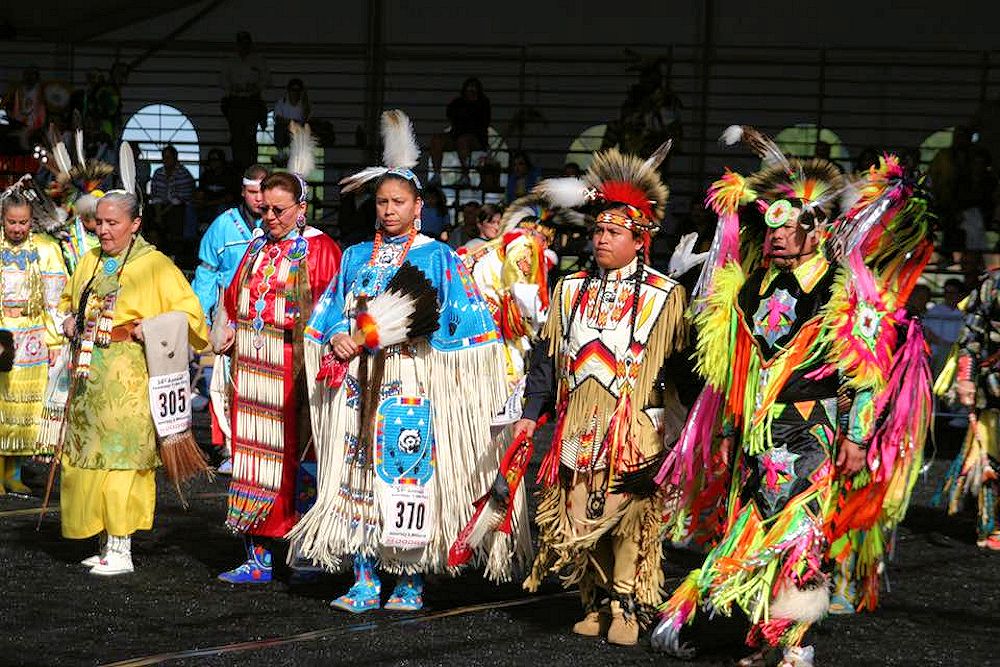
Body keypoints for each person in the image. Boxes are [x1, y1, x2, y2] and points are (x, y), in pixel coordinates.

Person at [652, 134, 933, 665]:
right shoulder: (752, 285)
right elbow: (736, 368)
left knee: (797, 534)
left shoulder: (840, 286)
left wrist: (855, 436)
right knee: (752, 526)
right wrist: (730, 429)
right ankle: (765, 639)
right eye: (771, 227)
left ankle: (795, 646)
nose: (777, 236)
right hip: (757, 433)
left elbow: (864, 373)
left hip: (813, 432)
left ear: (816, 229)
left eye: (788, 226)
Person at [288, 109, 508, 612]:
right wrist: (342, 338)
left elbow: (472, 328)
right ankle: (365, 577)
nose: (388, 210)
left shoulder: (439, 258)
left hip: (411, 380)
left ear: (418, 206)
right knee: (357, 475)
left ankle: (408, 580)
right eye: (382, 202)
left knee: (407, 474)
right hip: (357, 383)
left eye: (398, 202)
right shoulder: (354, 256)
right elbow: (324, 320)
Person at [518, 142, 690, 646]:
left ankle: (627, 605)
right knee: (581, 508)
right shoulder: (569, 289)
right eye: (597, 230)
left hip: (636, 420)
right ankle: (593, 598)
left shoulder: (664, 296)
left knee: (630, 511)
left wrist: (692, 428)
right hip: (578, 422)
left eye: (614, 232)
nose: (601, 239)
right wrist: (533, 413)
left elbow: (682, 369)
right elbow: (547, 362)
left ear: (639, 240)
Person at [58, 189, 208, 575]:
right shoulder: (89, 260)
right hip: (90, 373)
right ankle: (104, 539)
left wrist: (151, 326)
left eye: (113, 223)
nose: (103, 231)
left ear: (135, 224)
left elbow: (191, 318)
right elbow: (66, 302)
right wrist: (70, 320)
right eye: (99, 222)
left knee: (125, 458)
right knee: (91, 456)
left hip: (130, 375)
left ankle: (122, 547)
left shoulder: (155, 265)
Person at [215, 134, 342, 584]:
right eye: (263, 208)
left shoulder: (321, 249)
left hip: (298, 373)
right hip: (252, 371)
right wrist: (226, 327)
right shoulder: (255, 247)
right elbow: (231, 299)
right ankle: (259, 556)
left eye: (277, 210)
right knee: (254, 459)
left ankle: (305, 551)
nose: (267, 217)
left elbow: (334, 310)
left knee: (301, 459)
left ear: (301, 208)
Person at [192, 163, 269, 474]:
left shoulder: (280, 225)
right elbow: (206, 274)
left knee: (262, 383)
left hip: (265, 314)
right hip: (227, 313)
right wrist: (202, 319)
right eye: (252, 192)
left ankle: (260, 446)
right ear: (242, 191)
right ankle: (226, 447)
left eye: (263, 192)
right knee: (224, 383)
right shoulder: (223, 226)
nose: (259, 199)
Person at [0, 191, 68, 494]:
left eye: (23, 222)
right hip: (2, 332)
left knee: (26, 411)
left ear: (32, 221)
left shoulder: (47, 249)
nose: (17, 228)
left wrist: (54, 342)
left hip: (32, 338)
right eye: (12, 222)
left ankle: (13, 473)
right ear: (2, 219)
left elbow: (55, 302)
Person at [937, 269, 1000, 551]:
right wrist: (964, 379)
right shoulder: (994, 283)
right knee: (995, 457)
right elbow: (971, 334)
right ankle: (994, 524)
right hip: (996, 388)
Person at [220, 31, 270, 176]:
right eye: (241, 43)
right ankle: (238, 169)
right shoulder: (230, 61)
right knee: (236, 137)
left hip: (251, 101)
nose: (243, 46)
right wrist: (233, 86)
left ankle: (252, 168)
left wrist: (255, 86)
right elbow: (222, 81)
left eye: (246, 43)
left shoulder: (258, 61)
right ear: (237, 45)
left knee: (250, 137)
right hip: (235, 101)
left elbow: (267, 79)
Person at [429, 78, 491, 186]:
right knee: (437, 139)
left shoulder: (483, 103)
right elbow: (450, 114)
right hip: (456, 135)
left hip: (476, 139)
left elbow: (482, 122)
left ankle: (465, 176)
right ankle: (437, 175)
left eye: (474, 89)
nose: (471, 91)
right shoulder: (458, 102)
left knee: (463, 140)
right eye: (469, 89)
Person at [148, 144, 196, 264]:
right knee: (149, 213)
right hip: (161, 206)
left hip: (179, 207)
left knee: (176, 215)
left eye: (169, 157)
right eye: (164, 157)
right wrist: (158, 214)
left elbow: (182, 198)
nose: (166, 160)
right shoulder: (158, 173)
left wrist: (162, 214)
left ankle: (173, 253)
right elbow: (155, 196)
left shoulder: (184, 173)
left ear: (175, 158)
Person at [195, 148, 239, 225]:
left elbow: (229, 198)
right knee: (191, 208)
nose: (213, 162)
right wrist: (199, 200)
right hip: (207, 205)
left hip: (223, 206)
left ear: (222, 161)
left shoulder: (230, 175)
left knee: (221, 208)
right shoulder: (206, 175)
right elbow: (200, 193)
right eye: (211, 160)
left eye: (216, 159)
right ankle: (190, 236)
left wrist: (209, 203)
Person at [273, 78, 311, 160]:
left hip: (298, 131)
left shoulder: (304, 104)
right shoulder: (281, 102)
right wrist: (291, 122)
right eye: (293, 90)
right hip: (285, 129)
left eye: (298, 90)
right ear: (288, 91)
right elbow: (278, 118)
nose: (295, 93)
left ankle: (293, 154)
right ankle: (282, 153)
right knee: (279, 128)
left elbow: (306, 118)